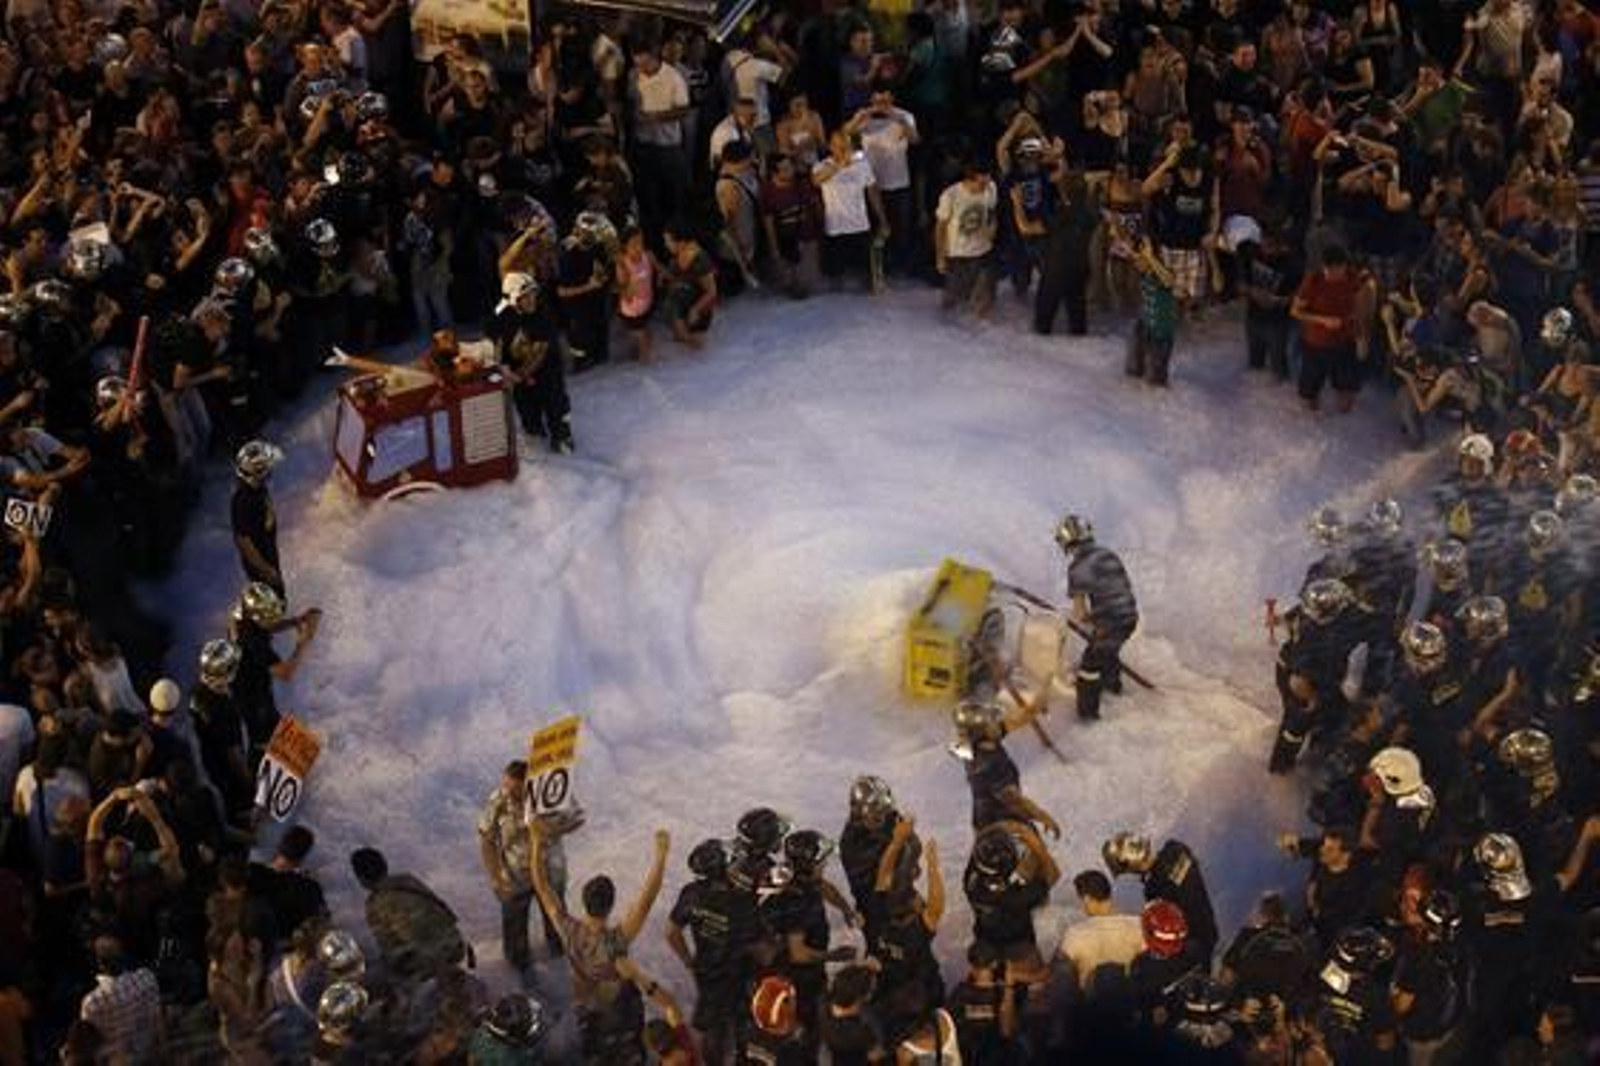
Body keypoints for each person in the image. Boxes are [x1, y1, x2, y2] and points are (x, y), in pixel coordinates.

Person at [530, 821, 669, 1064]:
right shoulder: (617, 940)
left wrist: (535, 843)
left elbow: (541, 886)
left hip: (586, 1004)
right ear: (610, 906)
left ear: (584, 902)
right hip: (619, 1007)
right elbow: (646, 899)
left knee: (594, 1051)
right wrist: (661, 855)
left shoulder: (568, 929)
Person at [666, 837, 759, 1062]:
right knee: (741, 1019)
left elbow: (671, 932)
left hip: (705, 968)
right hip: (737, 973)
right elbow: (759, 945)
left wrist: (689, 960)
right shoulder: (742, 900)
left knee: (713, 1022)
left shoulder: (691, 893)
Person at [1053, 514, 1139, 721]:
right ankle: (1113, 689)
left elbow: (1079, 613)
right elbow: (1115, 591)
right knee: (1107, 652)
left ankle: (1088, 717)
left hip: (1111, 623)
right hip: (1130, 617)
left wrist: (1081, 619)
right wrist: (1098, 616)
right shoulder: (1108, 554)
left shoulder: (1077, 568)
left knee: (1089, 668)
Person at [490, 272, 572, 454]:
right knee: (529, 419)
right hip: (517, 374)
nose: (532, 299)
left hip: (547, 371)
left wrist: (519, 376)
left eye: (533, 293)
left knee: (557, 408)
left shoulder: (543, 313)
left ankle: (563, 440)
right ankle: (538, 443)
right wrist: (503, 369)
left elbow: (539, 352)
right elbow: (496, 343)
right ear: (513, 298)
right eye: (526, 296)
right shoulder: (500, 314)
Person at [1291, 245, 1374, 413]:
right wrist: (1322, 320)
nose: (1330, 274)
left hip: (1344, 343)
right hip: (1315, 344)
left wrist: (1363, 337)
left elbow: (1363, 310)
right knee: (1308, 399)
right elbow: (1295, 311)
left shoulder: (1353, 278)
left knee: (1347, 397)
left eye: (1336, 270)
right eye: (1327, 269)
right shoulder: (1313, 280)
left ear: (1344, 266)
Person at [814, 130, 887, 293]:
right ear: (831, 146)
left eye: (846, 146)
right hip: (836, 227)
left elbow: (873, 193)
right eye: (839, 146)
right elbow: (817, 180)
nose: (843, 149)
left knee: (869, 273)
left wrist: (882, 219)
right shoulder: (822, 165)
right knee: (836, 278)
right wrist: (840, 165)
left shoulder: (862, 165)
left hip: (860, 224)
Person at [231, 439, 286, 596]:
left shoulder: (258, 489)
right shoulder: (243, 501)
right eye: (267, 468)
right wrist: (266, 570)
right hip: (260, 563)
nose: (270, 471)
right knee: (270, 597)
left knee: (278, 592)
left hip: (267, 550)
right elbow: (243, 542)